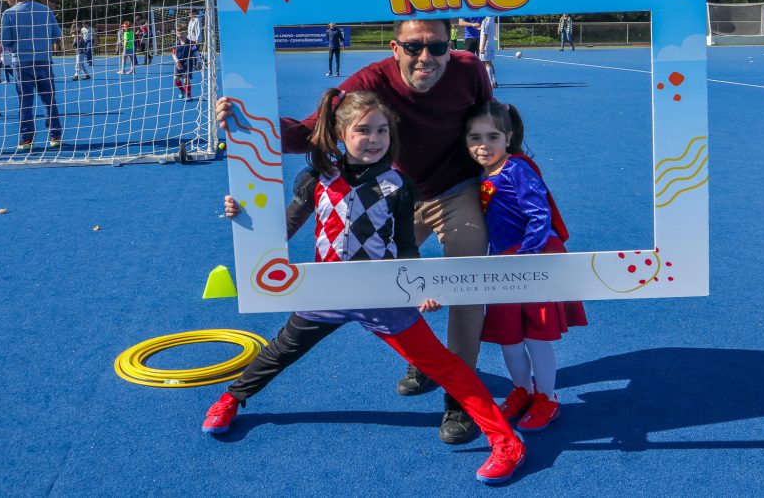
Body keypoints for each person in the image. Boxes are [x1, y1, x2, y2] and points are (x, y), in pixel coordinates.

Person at [206, 89, 526, 485]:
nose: (374, 139)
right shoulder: (317, 178)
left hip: (383, 295)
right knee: (281, 350)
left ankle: (507, 442)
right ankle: (230, 399)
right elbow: (282, 228)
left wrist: (418, 287)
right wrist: (245, 218)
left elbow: (407, 243)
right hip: (327, 292)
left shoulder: (399, 185)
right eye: (363, 130)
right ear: (341, 132)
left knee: (443, 366)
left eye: (382, 131)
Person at [216, 18, 493, 445]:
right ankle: (425, 359)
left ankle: (458, 402)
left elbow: (487, 126)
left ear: (449, 44)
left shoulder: (470, 69)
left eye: (437, 47)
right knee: (390, 286)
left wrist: (510, 179)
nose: (426, 57)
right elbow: (314, 132)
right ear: (394, 47)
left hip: (453, 188)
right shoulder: (369, 80)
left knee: (467, 282)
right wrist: (249, 126)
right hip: (392, 191)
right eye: (414, 47)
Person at [465, 100, 587, 432]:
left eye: (492, 137)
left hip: (530, 260)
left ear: (508, 137)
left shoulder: (517, 168)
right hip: (502, 262)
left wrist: (526, 256)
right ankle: (522, 389)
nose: (483, 145)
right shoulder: (480, 173)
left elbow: (539, 214)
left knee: (536, 338)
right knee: (509, 338)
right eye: (475, 138)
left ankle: (547, 397)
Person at [0, 0, 62, 150]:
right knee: (49, 100)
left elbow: (5, 41)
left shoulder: (9, 14)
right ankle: (55, 136)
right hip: (44, 61)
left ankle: (27, 139)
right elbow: (57, 34)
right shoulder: (45, 10)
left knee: (25, 102)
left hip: (22, 62)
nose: (6, 0)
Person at [171, 23, 196, 99]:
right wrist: (177, 61)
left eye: (182, 33)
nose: (180, 35)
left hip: (188, 63)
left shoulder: (191, 43)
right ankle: (182, 90)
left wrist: (198, 62)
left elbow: (196, 53)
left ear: (186, 33)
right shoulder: (176, 44)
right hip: (179, 63)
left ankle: (188, 95)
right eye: (178, 33)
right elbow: (173, 54)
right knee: (176, 79)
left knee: (186, 80)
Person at [479, 15, 499, 88]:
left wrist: (482, 47)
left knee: (487, 63)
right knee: (489, 62)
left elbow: (485, 34)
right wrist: (480, 28)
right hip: (491, 44)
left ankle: (490, 83)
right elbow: (486, 31)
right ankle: (494, 81)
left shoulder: (486, 20)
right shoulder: (492, 19)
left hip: (486, 45)